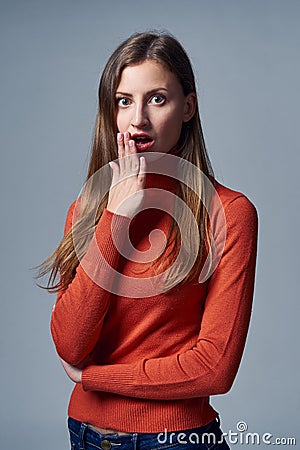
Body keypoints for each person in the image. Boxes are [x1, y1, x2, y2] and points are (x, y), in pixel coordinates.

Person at [38, 32, 258, 449]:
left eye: (157, 99)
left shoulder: (229, 213)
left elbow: (214, 368)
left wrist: (94, 377)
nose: (137, 118)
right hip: (86, 436)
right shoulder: (87, 211)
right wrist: (116, 217)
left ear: (188, 107)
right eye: (124, 101)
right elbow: (70, 342)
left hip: (177, 439)